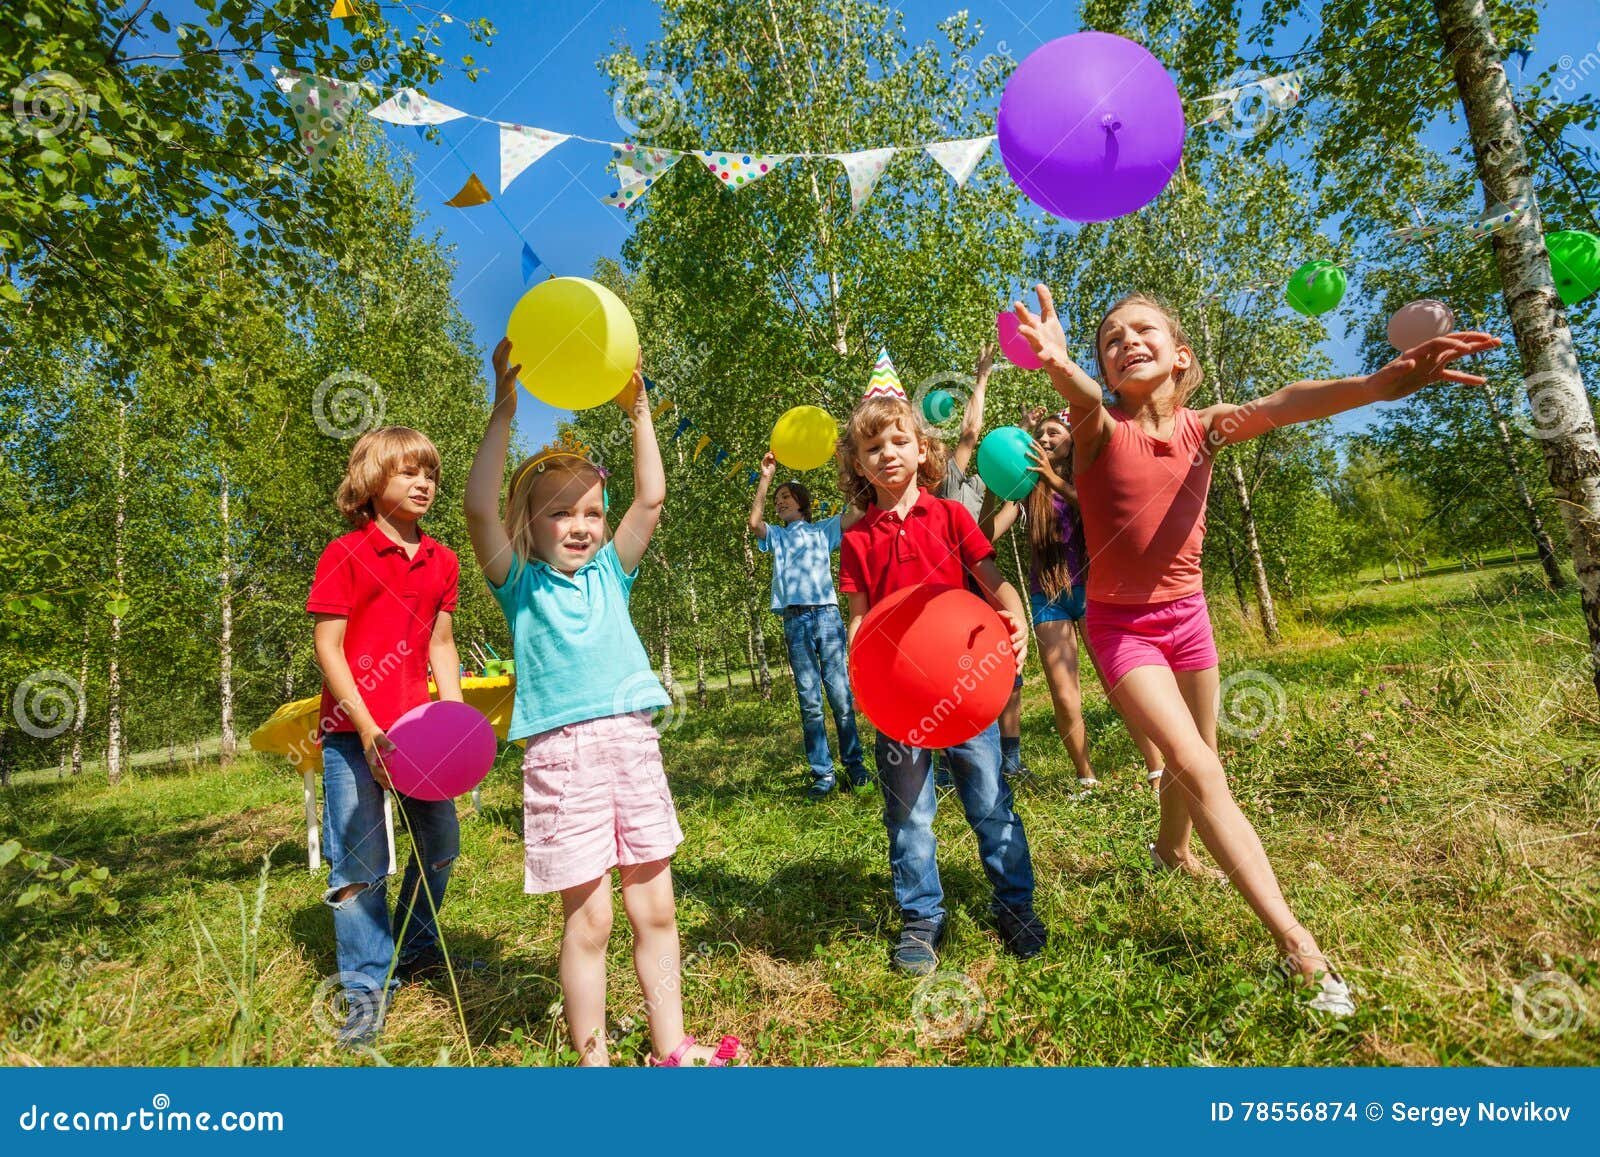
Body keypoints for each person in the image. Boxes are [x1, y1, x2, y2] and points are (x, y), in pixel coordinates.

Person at [1011, 284, 1498, 1014]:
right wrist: (1057, 364)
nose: (1125, 341)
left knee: (1199, 755)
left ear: (1182, 356)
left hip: (1189, 618)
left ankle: (1172, 850)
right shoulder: (1097, 428)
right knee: (1198, 764)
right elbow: (1078, 395)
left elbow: (1283, 401)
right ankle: (1301, 946)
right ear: (1103, 370)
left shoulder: (1207, 427)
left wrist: (1374, 384)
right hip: (1123, 629)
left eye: (1143, 329)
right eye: (1110, 338)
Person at [465, 338, 741, 1067]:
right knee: (587, 923)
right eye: (561, 513)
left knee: (657, 908)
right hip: (561, 758)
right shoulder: (518, 584)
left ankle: (672, 1048)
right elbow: (476, 509)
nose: (582, 525)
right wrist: (503, 411)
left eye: (591, 509)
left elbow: (650, 495)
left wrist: (641, 410)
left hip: (632, 745)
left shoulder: (609, 575)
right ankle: (595, 1068)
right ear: (530, 525)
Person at [837, 374, 1045, 975]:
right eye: (873, 448)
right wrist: (860, 671)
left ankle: (1015, 905)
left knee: (988, 799)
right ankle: (922, 917)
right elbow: (859, 619)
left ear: (922, 449)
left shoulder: (952, 516)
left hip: (961, 688)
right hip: (899, 699)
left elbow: (990, 577)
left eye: (899, 441)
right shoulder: (857, 541)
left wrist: (1014, 616)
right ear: (859, 464)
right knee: (909, 814)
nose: (888, 454)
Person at [307, 426, 466, 1047]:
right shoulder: (343, 553)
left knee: (443, 844)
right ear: (372, 484)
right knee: (359, 867)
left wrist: (453, 721)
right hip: (353, 735)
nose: (423, 482)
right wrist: (368, 729)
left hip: (421, 736)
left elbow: (442, 644)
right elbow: (329, 647)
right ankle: (366, 992)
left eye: (429, 472)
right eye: (406, 472)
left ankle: (415, 950)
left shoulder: (444, 560)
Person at [980, 409, 1167, 792]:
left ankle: (1156, 767)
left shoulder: (1086, 478)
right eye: (1040, 434)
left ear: (1071, 441)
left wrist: (1053, 479)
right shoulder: (1026, 490)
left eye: (1054, 433)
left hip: (1094, 593)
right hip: (1047, 599)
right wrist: (991, 483)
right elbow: (983, 538)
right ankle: (1086, 777)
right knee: (1065, 698)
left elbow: (1102, 511)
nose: (1045, 439)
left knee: (1119, 687)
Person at [748, 451, 869, 801]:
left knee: (840, 696)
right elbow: (754, 522)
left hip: (827, 616)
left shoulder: (823, 530)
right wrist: (766, 478)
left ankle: (855, 767)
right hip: (795, 620)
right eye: (777, 499)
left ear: (801, 503)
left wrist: (845, 462)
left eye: (786, 496)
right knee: (810, 700)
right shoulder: (777, 536)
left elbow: (858, 512)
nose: (780, 502)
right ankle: (823, 774)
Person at [934, 344, 1030, 781]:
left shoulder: (980, 486)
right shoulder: (947, 478)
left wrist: (1026, 440)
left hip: (977, 578)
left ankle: (1008, 757)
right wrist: (983, 376)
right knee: (951, 674)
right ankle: (951, 760)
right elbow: (971, 432)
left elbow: (988, 532)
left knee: (1003, 668)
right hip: (949, 587)